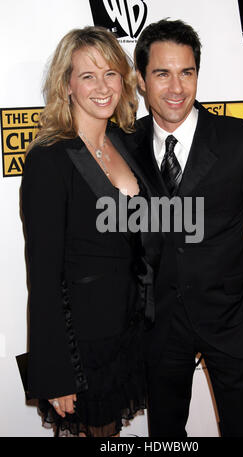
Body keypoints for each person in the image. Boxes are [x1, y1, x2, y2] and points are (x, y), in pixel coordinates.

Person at [125, 19, 243, 437]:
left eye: (187, 72)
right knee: (165, 435)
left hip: (232, 318)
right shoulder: (123, 144)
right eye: (162, 73)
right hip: (159, 326)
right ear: (142, 81)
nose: (176, 87)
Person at [21, 26, 150, 437]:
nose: (102, 86)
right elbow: (42, 275)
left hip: (128, 332)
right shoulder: (50, 158)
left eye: (111, 73)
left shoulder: (125, 143)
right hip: (82, 345)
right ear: (67, 85)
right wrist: (57, 371)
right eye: (88, 76)